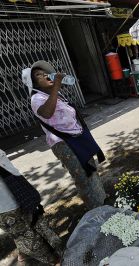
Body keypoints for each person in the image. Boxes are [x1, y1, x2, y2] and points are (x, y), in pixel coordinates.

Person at [23, 60, 106, 210]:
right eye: (39, 75)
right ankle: (96, 209)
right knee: (82, 176)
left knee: (91, 170)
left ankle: (101, 199)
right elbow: (47, 113)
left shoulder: (56, 94)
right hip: (64, 144)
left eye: (45, 73)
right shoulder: (36, 99)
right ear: (34, 83)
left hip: (77, 138)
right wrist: (56, 86)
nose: (45, 75)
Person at [0, 149, 62, 265]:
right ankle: (54, 260)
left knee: (39, 227)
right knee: (28, 238)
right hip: (4, 207)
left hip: (17, 190)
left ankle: (28, 254)